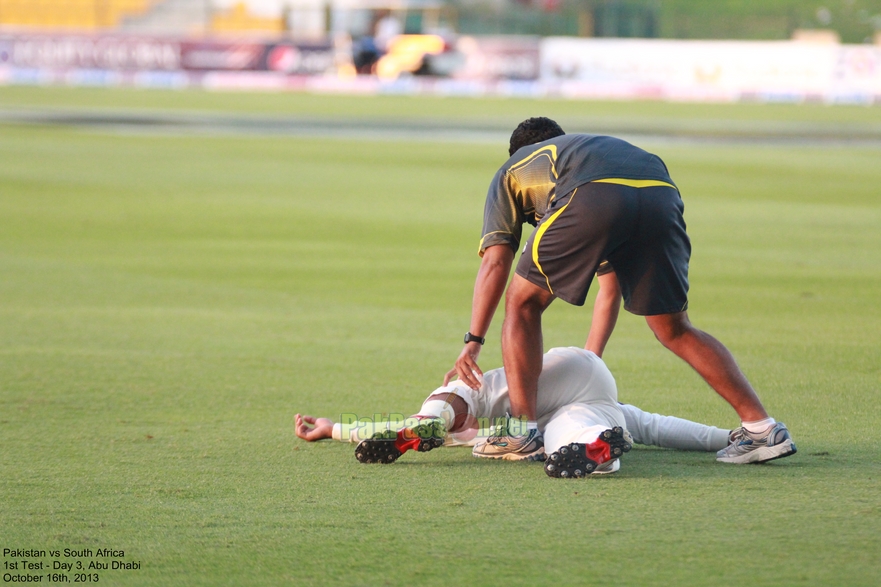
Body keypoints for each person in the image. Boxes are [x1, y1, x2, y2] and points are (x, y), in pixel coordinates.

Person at [447, 117, 796, 465]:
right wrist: (590, 361)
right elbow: (610, 285)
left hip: (592, 196)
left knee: (522, 303)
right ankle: (762, 428)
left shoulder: (513, 168)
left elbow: (495, 262)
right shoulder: (583, 154)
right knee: (674, 328)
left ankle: (520, 433)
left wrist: (474, 340)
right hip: (661, 192)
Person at [296, 346, 735, 478]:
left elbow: (391, 430)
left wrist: (337, 431)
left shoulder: (476, 429)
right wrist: (726, 437)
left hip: (548, 387)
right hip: (588, 383)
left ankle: (433, 417)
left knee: (460, 391)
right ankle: (602, 453)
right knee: (571, 443)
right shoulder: (608, 412)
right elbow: (661, 427)